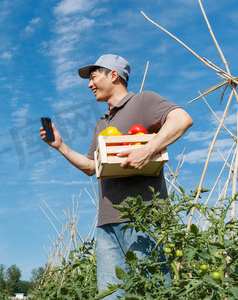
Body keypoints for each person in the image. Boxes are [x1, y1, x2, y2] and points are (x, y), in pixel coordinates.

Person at [39, 54, 193, 299]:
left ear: (113, 75)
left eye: (93, 77)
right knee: (110, 295)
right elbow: (91, 167)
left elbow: (181, 119)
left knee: (152, 290)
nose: (89, 84)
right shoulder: (102, 124)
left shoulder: (143, 101)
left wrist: (147, 150)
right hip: (107, 222)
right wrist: (60, 146)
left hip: (144, 216)